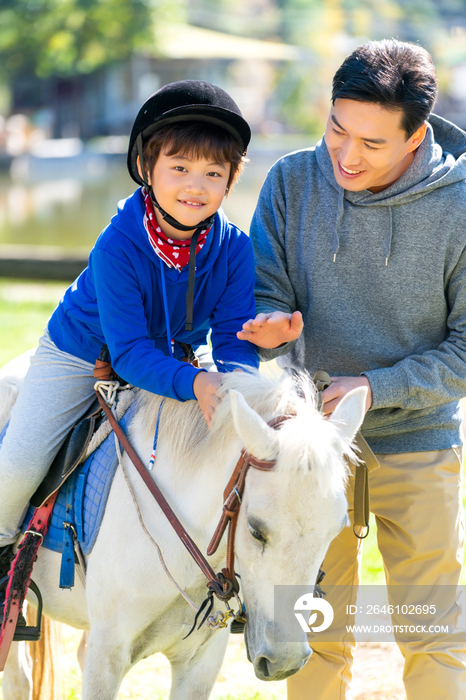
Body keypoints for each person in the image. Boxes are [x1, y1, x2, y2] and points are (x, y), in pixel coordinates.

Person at [238, 39, 466, 699]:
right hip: (306, 446)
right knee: (313, 628)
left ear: (416, 135)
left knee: (432, 629)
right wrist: (272, 325)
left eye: (371, 143)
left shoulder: (458, 207)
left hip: (417, 440)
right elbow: (265, 292)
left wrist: (376, 387)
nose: (345, 153)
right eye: (337, 129)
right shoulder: (291, 181)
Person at [0, 80, 259, 637]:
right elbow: (129, 351)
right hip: (82, 354)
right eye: (180, 168)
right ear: (147, 164)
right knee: (15, 469)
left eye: (214, 174)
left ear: (232, 179)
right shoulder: (117, 244)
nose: (196, 186)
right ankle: (2, 572)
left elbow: (235, 338)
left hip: (172, 355)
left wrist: (240, 388)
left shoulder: (234, 246)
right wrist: (196, 384)